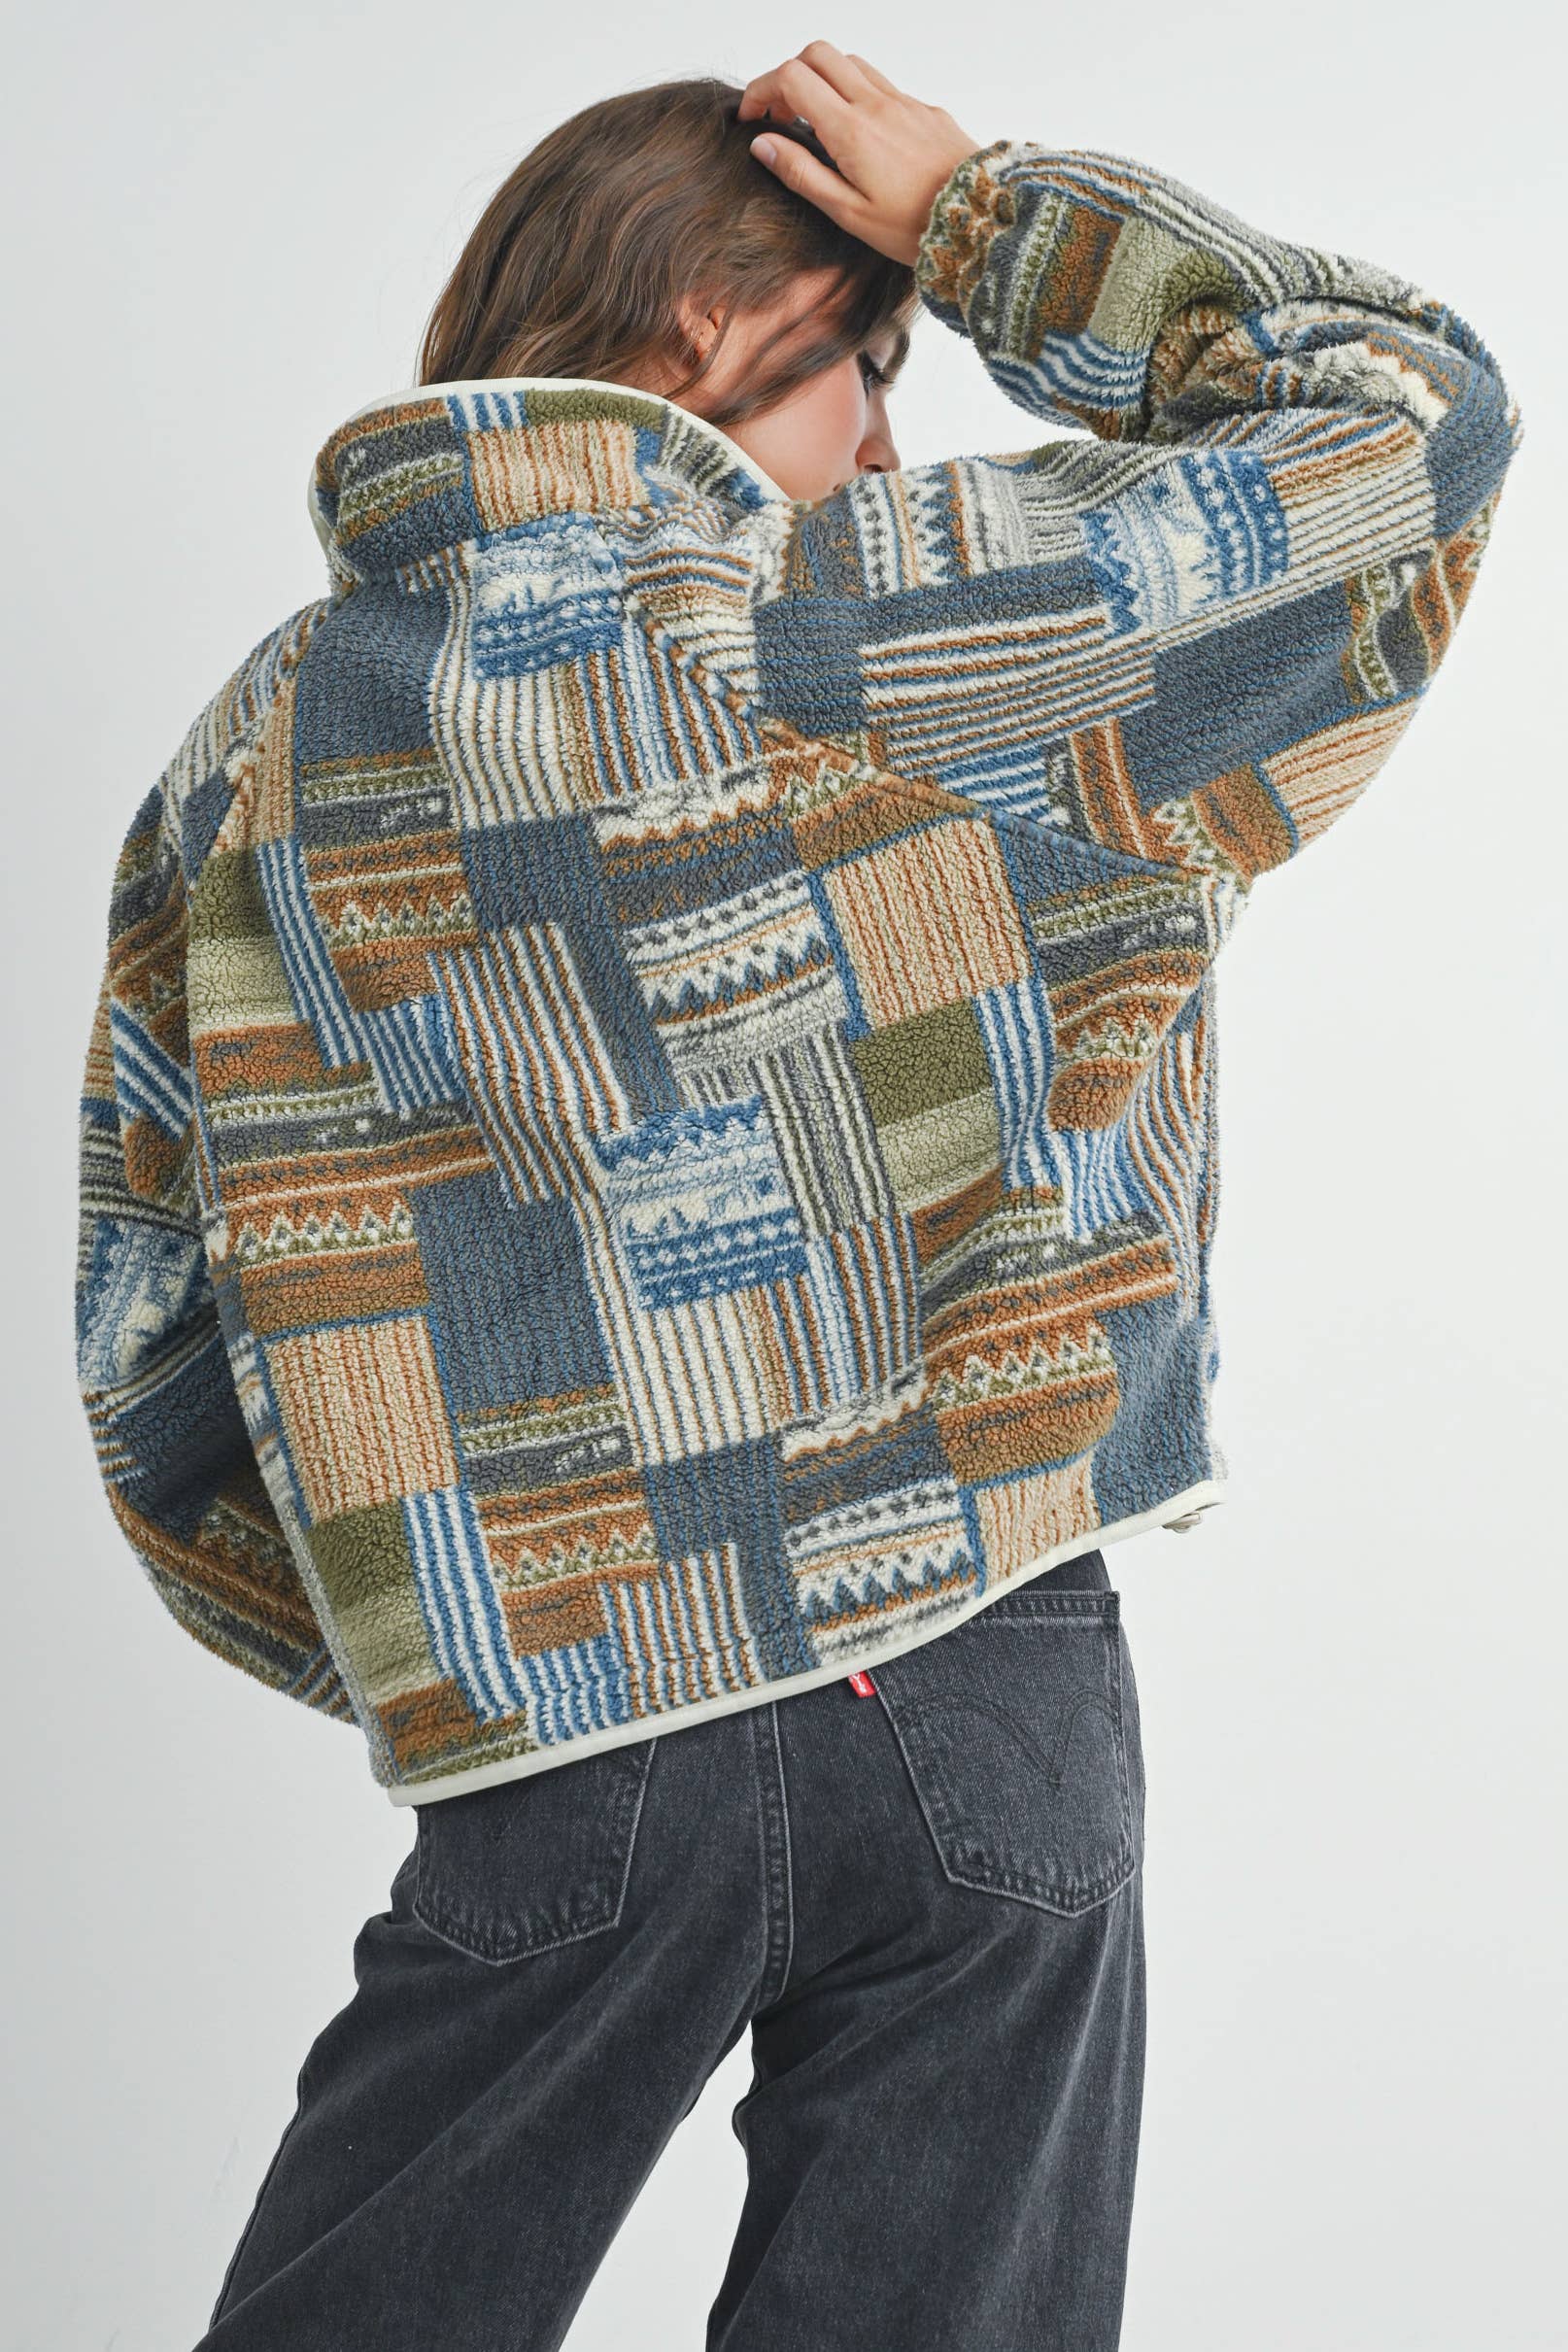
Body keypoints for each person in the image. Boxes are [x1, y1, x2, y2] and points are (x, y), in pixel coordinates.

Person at [73, 43, 1522, 2352]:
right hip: (989, 1672)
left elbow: (157, 1332)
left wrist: (465, 1629)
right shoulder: (912, 625)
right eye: (870, 365)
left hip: (570, 1715)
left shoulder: (265, 745)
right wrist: (984, 214)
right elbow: (1408, 419)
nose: (888, 444)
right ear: (701, 329)